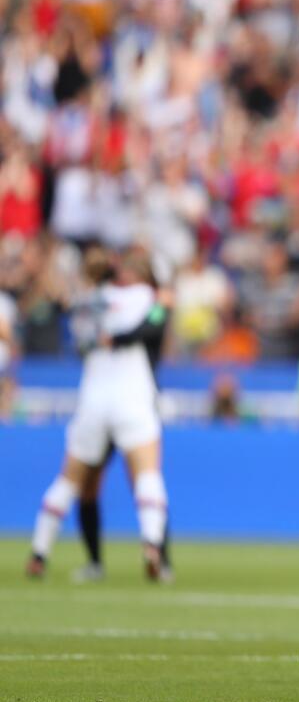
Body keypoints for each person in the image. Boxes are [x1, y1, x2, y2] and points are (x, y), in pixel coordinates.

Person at [27, 248, 169, 580]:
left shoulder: (83, 303)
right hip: (132, 393)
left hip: (92, 395)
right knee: (147, 473)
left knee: (69, 479)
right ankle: (151, 543)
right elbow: (155, 321)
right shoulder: (142, 296)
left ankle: (39, 552)